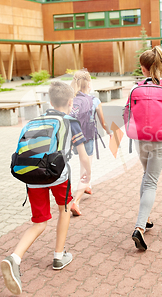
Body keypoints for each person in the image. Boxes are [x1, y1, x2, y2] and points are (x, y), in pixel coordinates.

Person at [1, 81, 91, 295]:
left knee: (39, 222)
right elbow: (83, 154)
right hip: (58, 175)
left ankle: (14, 258)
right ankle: (59, 256)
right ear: (70, 103)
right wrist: (87, 174)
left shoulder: (34, 121)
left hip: (32, 177)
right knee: (66, 208)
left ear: (49, 101)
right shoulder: (70, 121)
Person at [131, 46, 162, 251]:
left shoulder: (136, 87)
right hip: (159, 139)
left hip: (139, 138)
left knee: (146, 176)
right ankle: (140, 227)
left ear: (143, 68)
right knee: (151, 181)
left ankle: (147, 218)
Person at [69, 69, 110, 216]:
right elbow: (103, 123)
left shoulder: (71, 100)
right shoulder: (94, 100)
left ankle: (87, 187)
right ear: (89, 84)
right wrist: (110, 132)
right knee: (87, 171)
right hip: (88, 139)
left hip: (74, 140)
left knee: (82, 164)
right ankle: (76, 202)